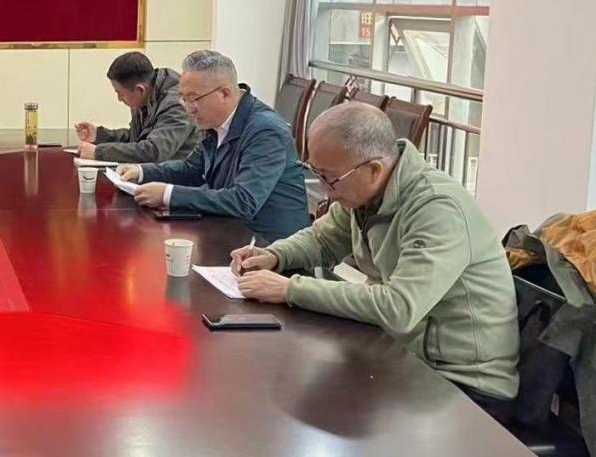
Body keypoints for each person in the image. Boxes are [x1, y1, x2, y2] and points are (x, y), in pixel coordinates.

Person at [230, 102, 519, 404]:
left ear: (373, 170)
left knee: (318, 403)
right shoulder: (365, 194)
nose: (325, 189)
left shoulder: (438, 210)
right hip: (400, 351)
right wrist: (275, 255)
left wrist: (291, 289)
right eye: (316, 173)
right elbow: (323, 239)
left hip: (462, 382)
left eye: (329, 177)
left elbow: (399, 307)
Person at [117, 50, 307, 241]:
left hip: (270, 245)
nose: (188, 108)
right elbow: (190, 169)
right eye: (184, 98)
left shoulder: (265, 130)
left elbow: (243, 201)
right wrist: (141, 171)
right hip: (227, 232)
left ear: (225, 94)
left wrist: (168, 194)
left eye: (194, 98)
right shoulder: (215, 123)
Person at [74, 51, 199, 162]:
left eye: (120, 93)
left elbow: (153, 151)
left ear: (140, 90)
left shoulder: (177, 105)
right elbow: (137, 139)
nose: (119, 99)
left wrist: (99, 152)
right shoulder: (146, 95)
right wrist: (100, 135)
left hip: (179, 178)